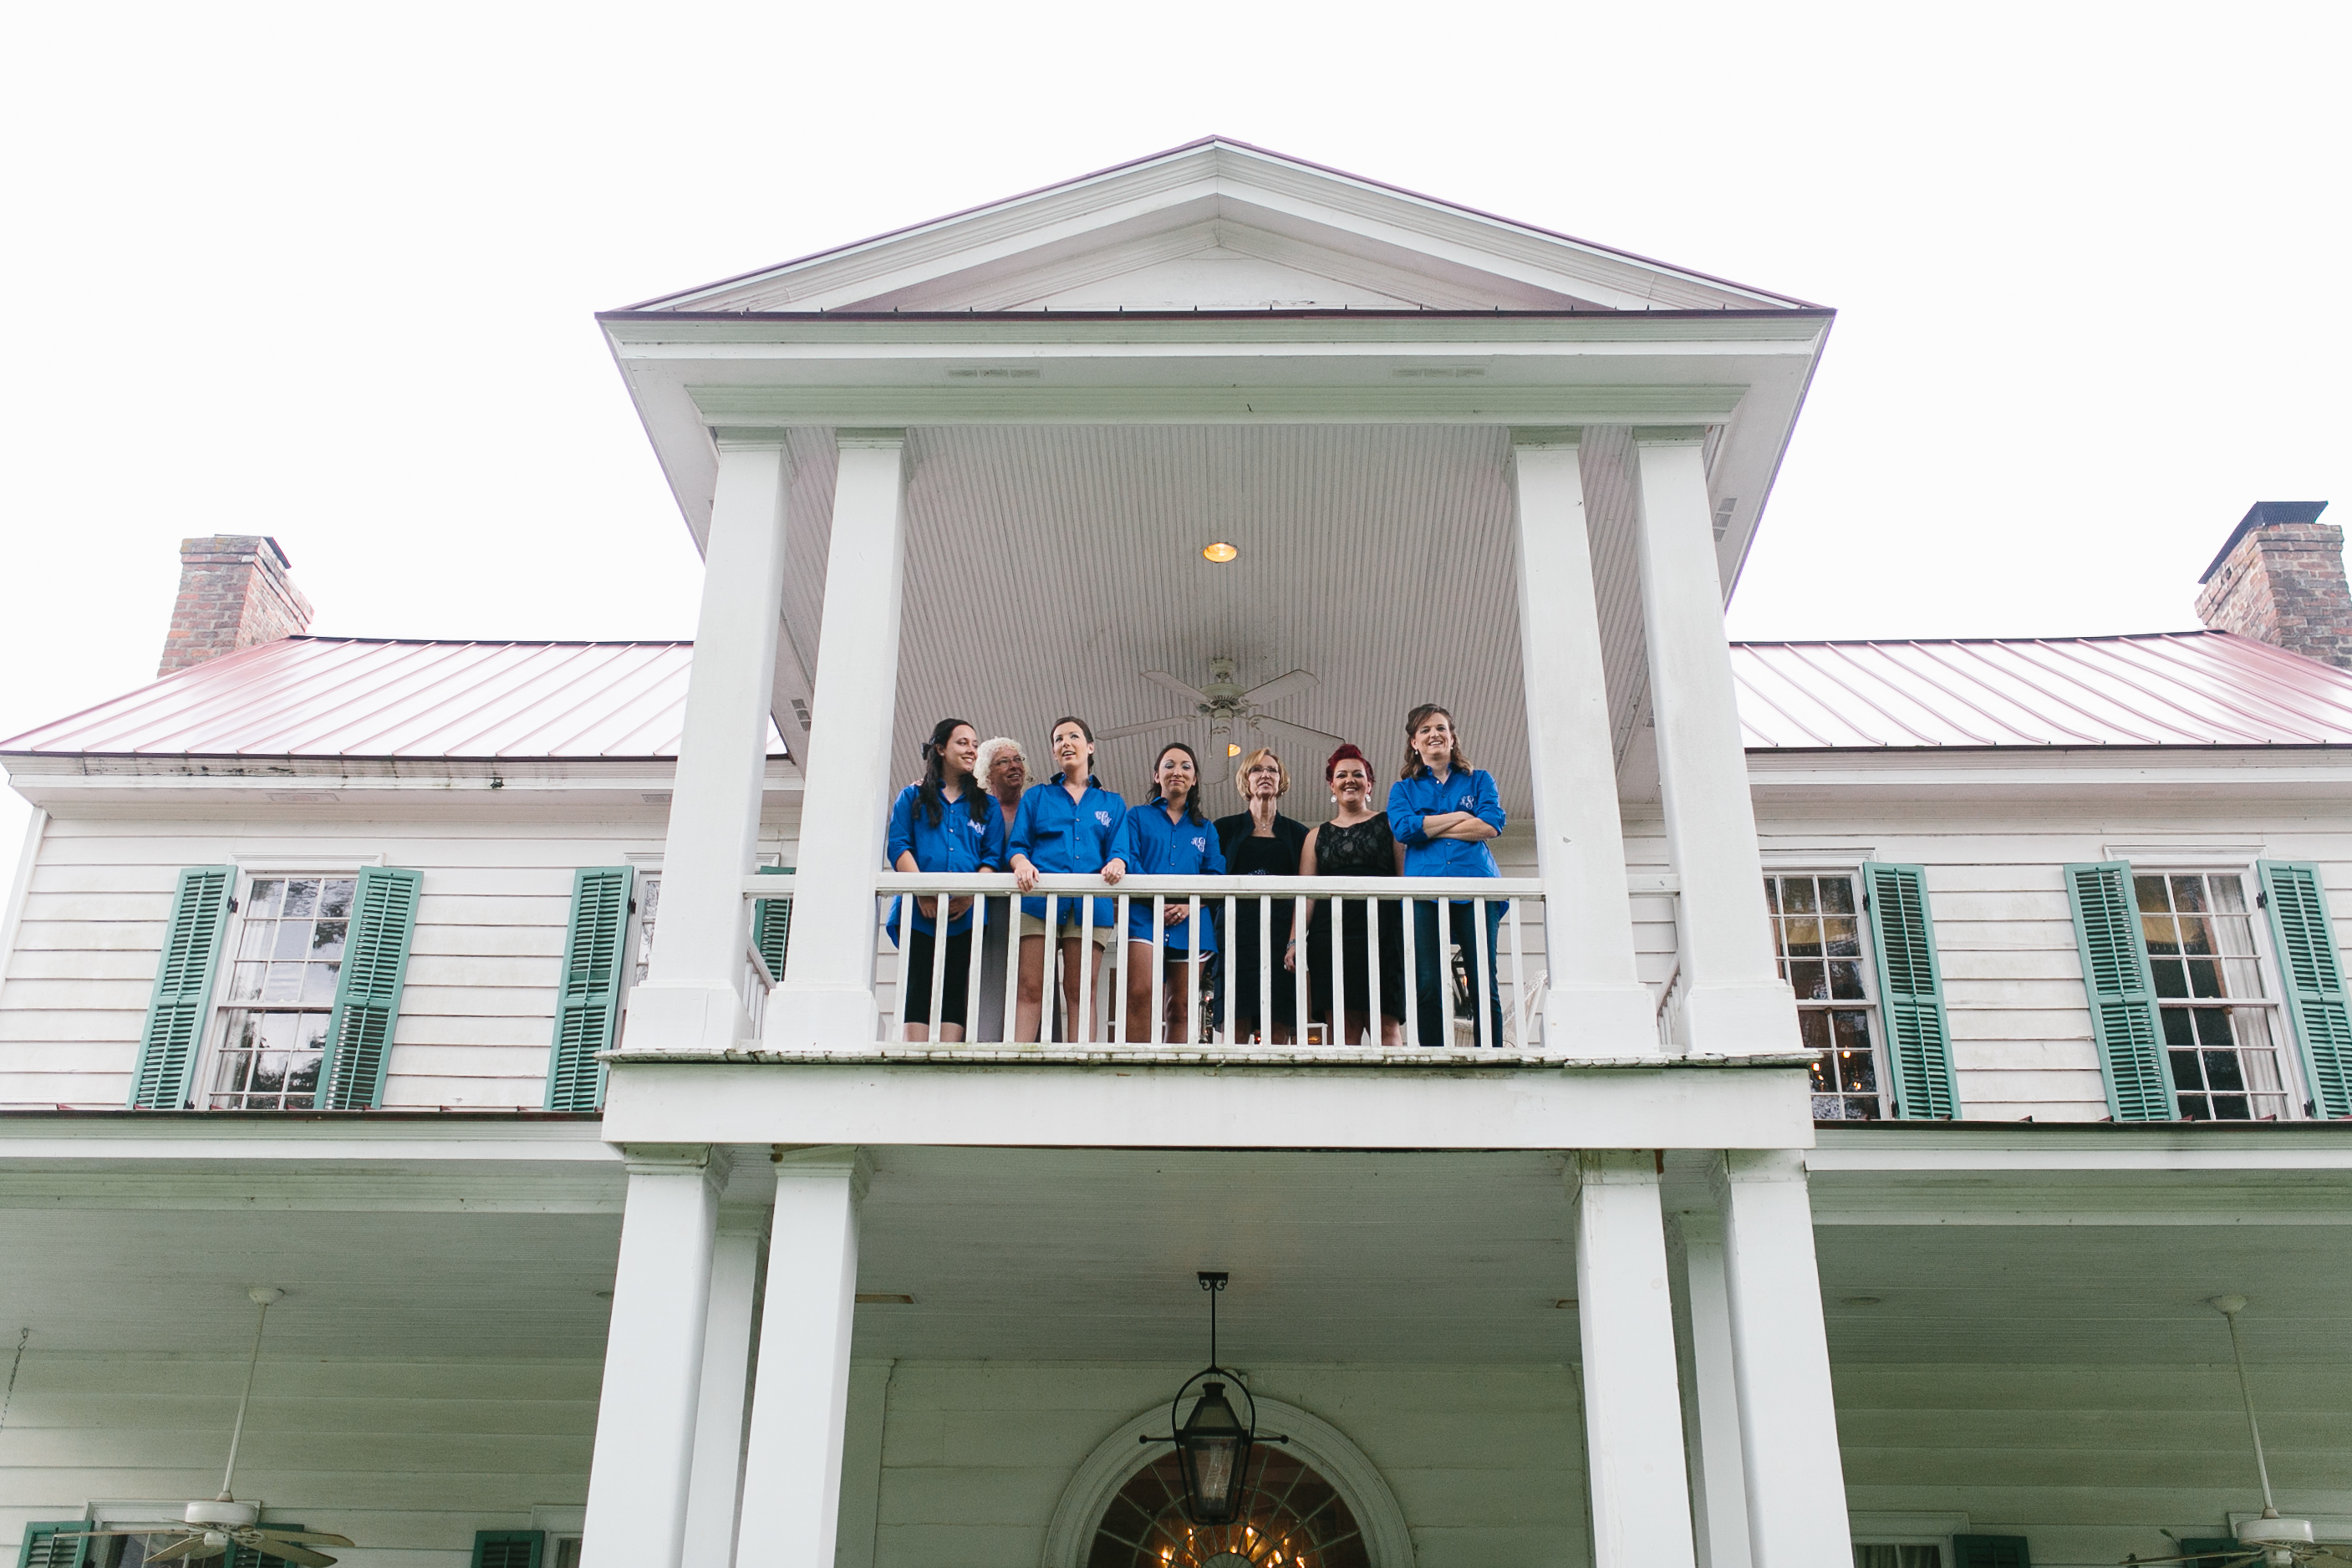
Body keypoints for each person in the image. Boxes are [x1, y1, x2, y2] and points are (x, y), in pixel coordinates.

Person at [1387, 704, 1507, 1047]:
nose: (1433, 735)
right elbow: (1404, 828)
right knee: (1427, 981)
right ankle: (1433, 1057)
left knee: (1483, 977)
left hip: (1476, 887)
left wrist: (1431, 827)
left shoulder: (1479, 780)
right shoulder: (1404, 790)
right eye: (1425, 730)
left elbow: (1490, 824)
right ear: (1414, 742)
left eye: (1440, 728)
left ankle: (1492, 1055)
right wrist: (1459, 817)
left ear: (1452, 737)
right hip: (1425, 891)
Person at [884, 718, 1005, 1041]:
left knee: (955, 983)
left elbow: (991, 858)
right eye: (963, 743)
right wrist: (923, 891)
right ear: (941, 748)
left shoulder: (987, 805)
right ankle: (915, 1057)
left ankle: (948, 1053)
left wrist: (970, 896)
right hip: (919, 909)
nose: (971, 750)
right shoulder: (912, 796)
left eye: (975, 744)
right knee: (918, 981)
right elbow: (898, 845)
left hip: (964, 913)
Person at [1008, 717, 1126, 1042]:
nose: (1065, 743)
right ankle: (1018, 1062)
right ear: (1054, 752)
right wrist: (1022, 864)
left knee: (1080, 991)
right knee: (1031, 987)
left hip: (1091, 907)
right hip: (1038, 901)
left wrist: (1116, 861)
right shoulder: (1037, 797)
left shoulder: (1111, 803)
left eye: (1073, 736)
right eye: (1059, 739)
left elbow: (1119, 850)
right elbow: (1017, 846)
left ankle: (1080, 1064)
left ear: (1090, 747)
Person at [1109, 741, 1226, 1042]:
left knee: (1182, 1007)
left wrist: (1188, 906)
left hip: (1191, 921)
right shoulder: (1136, 817)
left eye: (1186, 766)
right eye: (1169, 765)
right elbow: (1130, 860)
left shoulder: (1206, 829)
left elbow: (1215, 875)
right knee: (1139, 993)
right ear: (1156, 775)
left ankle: (1174, 1073)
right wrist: (1157, 899)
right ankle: (1136, 1071)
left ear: (1195, 779)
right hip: (1144, 917)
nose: (1178, 771)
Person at [1295, 744, 1405, 1045]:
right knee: (1343, 1032)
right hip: (1331, 937)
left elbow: (1405, 881)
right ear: (1332, 785)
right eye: (1341, 775)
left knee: (1386, 1027)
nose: (1350, 780)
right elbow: (1306, 895)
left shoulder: (1391, 824)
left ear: (1369, 784)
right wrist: (1295, 941)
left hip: (1383, 935)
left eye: (1358, 774)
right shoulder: (1316, 836)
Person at [1211, 747, 1310, 1043]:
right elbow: (1212, 882)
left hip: (1280, 936)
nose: (1265, 775)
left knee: (1278, 1021)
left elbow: (1305, 892)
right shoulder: (1224, 829)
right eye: (1257, 770)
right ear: (1246, 781)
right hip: (1235, 935)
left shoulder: (1298, 833)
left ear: (1281, 781)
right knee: (1235, 1017)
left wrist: (1295, 940)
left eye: (1272, 770)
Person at [965, 736, 1030, 1041]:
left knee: (1030, 981)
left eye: (1017, 760)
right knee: (986, 978)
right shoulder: (976, 810)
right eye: (1003, 761)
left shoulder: (1034, 809)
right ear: (986, 773)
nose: (1014, 766)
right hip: (988, 912)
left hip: (1030, 910)